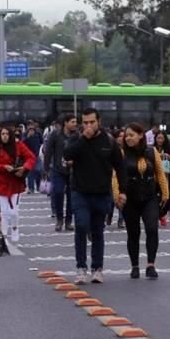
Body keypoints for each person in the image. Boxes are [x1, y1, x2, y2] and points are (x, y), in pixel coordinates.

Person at [64, 107, 125, 285]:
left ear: (99, 122)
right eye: (85, 123)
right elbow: (67, 154)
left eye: (92, 122)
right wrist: (84, 138)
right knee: (81, 226)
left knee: (98, 231)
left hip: (101, 193)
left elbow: (120, 167)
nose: (89, 125)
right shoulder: (77, 138)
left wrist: (122, 191)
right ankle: (81, 267)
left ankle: (97, 268)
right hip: (80, 192)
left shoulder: (109, 141)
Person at [119, 123, 169, 279]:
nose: (128, 138)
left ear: (141, 135)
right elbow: (115, 176)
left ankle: (151, 264)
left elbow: (160, 173)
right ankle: (134, 266)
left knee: (152, 229)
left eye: (131, 135)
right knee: (133, 233)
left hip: (149, 197)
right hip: (130, 198)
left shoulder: (151, 151)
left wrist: (165, 193)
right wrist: (118, 195)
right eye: (126, 136)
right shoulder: (121, 154)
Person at [0, 126, 36, 242]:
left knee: (13, 211)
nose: (5, 136)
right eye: (2, 134)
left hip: (16, 182)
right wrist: (4, 167)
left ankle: (15, 228)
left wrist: (23, 168)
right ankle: (4, 235)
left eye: (7, 134)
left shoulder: (19, 145)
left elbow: (31, 158)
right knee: (4, 212)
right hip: (2, 182)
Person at [43, 114, 77, 232]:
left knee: (71, 197)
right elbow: (48, 151)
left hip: (73, 171)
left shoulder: (77, 135)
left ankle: (68, 221)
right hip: (58, 169)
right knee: (58, 192)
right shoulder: (55, 134)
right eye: (72, 122)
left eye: (75, 122)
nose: (74, 124)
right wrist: (46, 168)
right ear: (65, 123)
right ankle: (59, 219)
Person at [23, 123, 44, 195]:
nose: (31, 130)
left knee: (39, 171)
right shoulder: (25, 135)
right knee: (30, 173)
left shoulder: (38, 134)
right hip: (29, 157)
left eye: (32, 129)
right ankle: (31, 188)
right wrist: (28, 137)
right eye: (30, 128)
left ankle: (38, 187)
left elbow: (42, 142)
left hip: (37, 156)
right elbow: (22, 143)